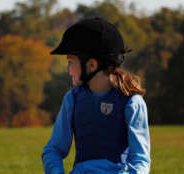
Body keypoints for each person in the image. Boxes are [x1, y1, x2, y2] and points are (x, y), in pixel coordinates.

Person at [41, 17, 150, 174]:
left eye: (70, 61)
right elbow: (53, 150)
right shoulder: (72, 99)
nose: (67, 69)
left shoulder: (132, 102)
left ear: (91, 65)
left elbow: (141, 160)